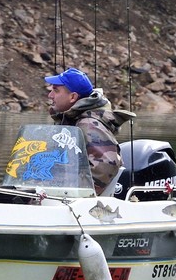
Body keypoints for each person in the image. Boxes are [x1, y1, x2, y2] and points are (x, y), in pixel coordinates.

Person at [44, 66, 129, 194]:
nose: (50, 95)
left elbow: (106, 166)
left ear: (72, 97)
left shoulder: (88, 124)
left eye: (55, 90)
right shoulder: (72, 120)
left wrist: (74, 193)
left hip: (74, 202)